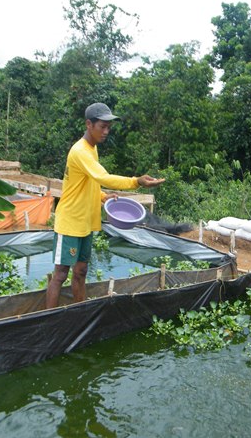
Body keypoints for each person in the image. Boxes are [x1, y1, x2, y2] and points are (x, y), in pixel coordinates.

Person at [46, 102, 165, 309]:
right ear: (89, 125)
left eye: (109, 127)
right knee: (60, 275)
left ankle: (79, 312)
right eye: (103, 126)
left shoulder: (92, 149)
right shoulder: (80, 151)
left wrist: (102, 196)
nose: (106, 131)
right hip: (70, 222)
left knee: (81, 271)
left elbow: (87, 181)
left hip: (85, 222)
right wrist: (136, 181)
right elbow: (103, 177)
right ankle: (49, 320)